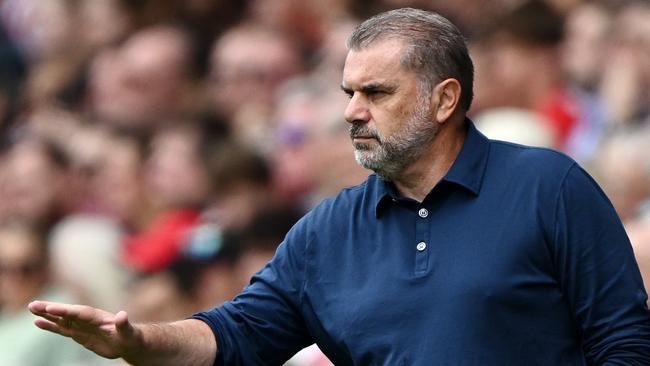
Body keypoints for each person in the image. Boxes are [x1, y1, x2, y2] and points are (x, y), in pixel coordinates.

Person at [28, 7, 650, 365]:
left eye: (375, 93)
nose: (353, 111)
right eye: (348, 92)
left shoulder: (549, 185)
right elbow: (237, 334)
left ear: (444, 99)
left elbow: (624, 341)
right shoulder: (327, 231)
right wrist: (139, 342)